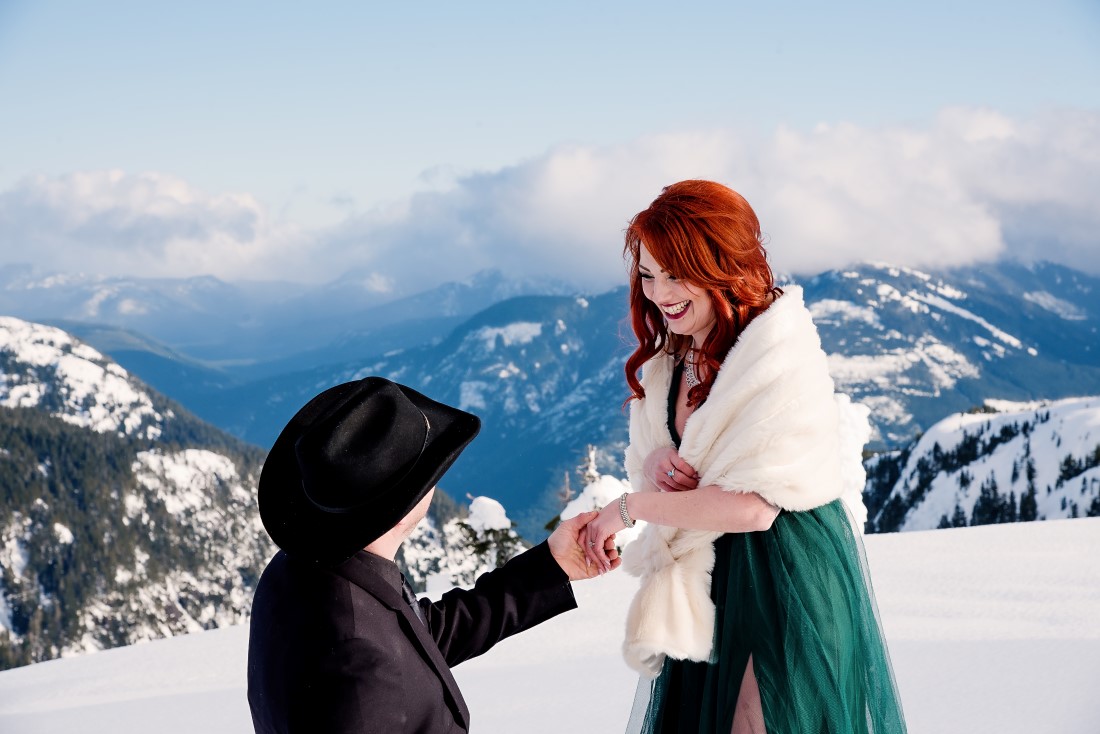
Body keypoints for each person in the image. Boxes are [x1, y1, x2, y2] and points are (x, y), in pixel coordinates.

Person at [583, 180, 907, 733]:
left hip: (783, 573)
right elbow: (683, 453)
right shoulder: (674, 356)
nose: (660, 293)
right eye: (648, 273)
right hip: (711, 576)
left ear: (721, 263)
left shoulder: (777, 352)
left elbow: (753, 507)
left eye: (675, 272)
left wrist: (630, 507)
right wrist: (658, 457)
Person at [247, 376, 619, 733]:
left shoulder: (307, 569)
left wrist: (552, 565)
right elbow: (378, 661)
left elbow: (412, 641)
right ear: (402, 505)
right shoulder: (355, 662)